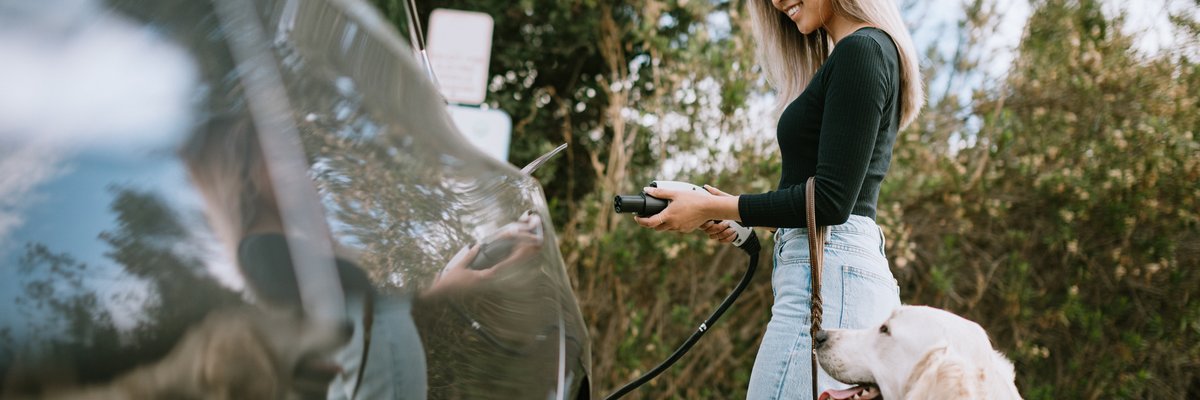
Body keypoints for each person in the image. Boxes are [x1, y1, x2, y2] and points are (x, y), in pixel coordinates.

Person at [633, 0, 923, 398]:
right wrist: (739, 215)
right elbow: (823, 200)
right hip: (837, 275)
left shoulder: (862, 50)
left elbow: (831, 202)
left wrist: (712, 206)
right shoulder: (859, 52)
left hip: (830, 279)